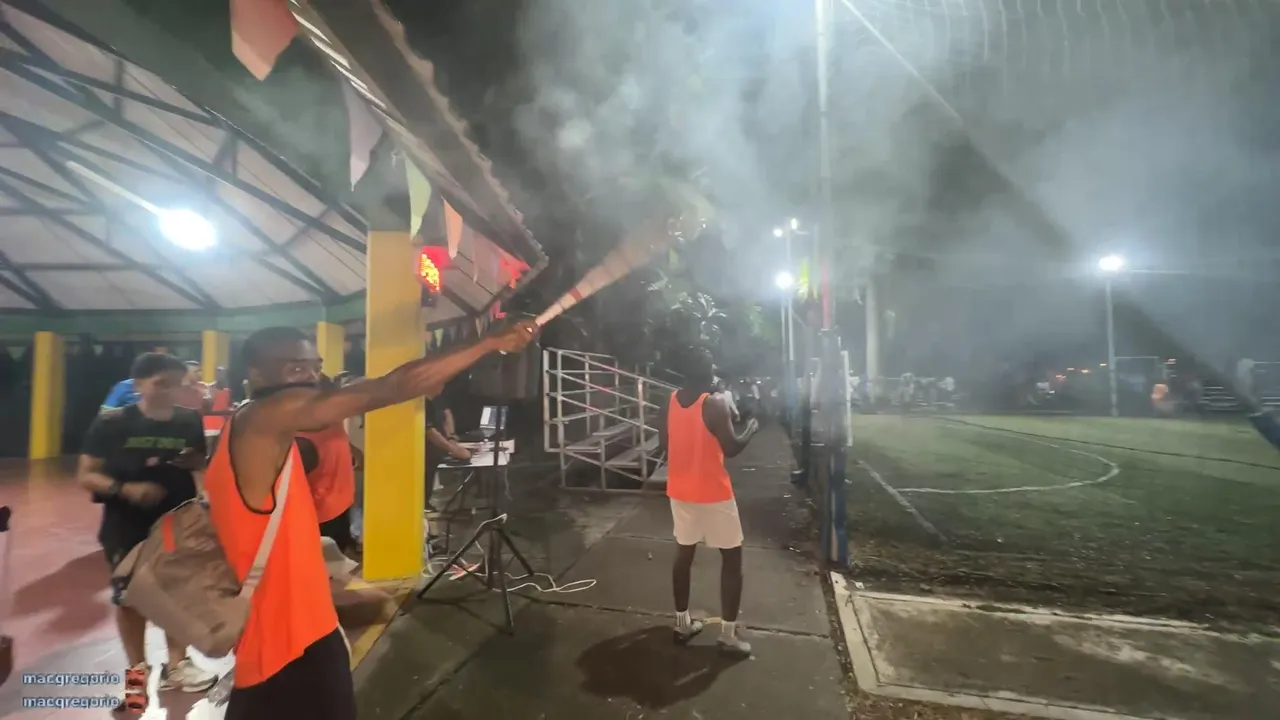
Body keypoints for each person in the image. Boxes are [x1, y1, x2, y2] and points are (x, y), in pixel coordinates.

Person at [203, 320, 536, 720]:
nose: (311, 378)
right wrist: (487, 343)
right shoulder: (262, 418)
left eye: (315, 367)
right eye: (296, 368)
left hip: (295, 630)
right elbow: (390, 387)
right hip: (284, 642)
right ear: (255, 374)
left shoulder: (256, 427)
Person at [76, 353, 219, 714]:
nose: (170, 391)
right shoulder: (113, 423)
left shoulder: (188, 420)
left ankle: (177, 665)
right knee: (130, 599)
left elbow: (197, 465)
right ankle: (136, 676)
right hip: (126, 524)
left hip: (176, 521)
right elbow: (87, 474)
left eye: (177, 384)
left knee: (176, 592)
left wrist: (204, 491)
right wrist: (126, 489)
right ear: (138, 384)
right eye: (161, 383)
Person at [658, 347, 759, 656]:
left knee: (683, 555)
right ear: (705, 372)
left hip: (680, 490)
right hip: (713, 493)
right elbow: (732, 447)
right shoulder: (714, 403)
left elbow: (664, 443)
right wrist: (751, 428)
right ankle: (727, 635)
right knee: (732, 560)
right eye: (712, 366)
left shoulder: (670, 400)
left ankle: (682, 623)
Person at [297, 375, 358, 557]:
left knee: (339, 551)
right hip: (321, 513)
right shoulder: (300, 438)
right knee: (327, 559)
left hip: (341, 501)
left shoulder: (331, 418)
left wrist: (352, 448)